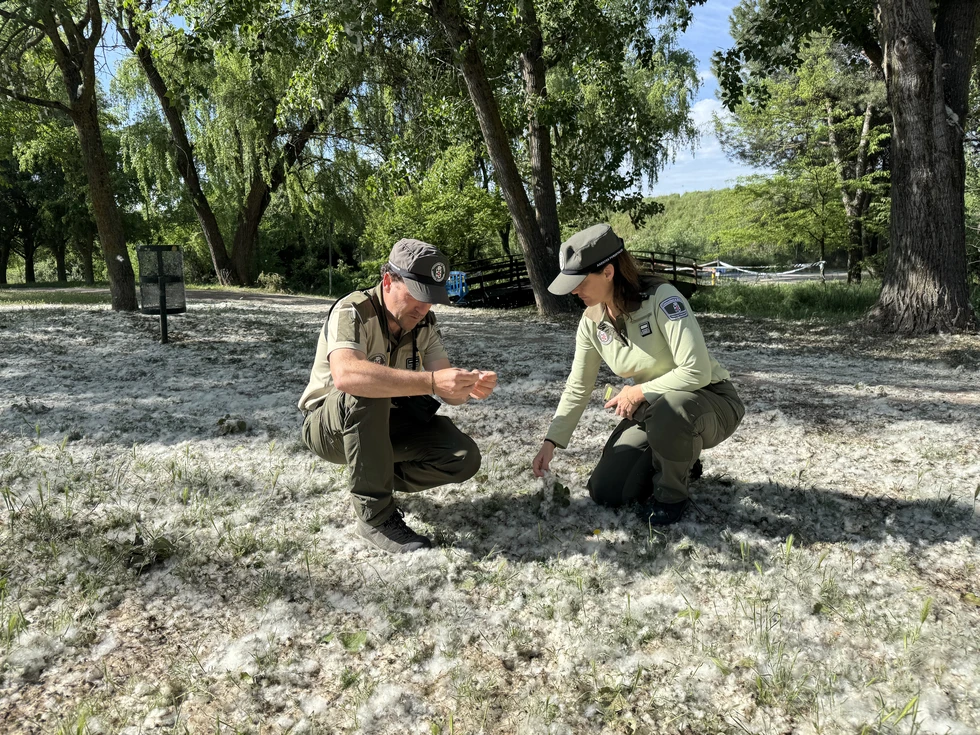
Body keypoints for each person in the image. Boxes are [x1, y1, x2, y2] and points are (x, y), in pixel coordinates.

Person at [532, 224, 744, 526]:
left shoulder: (662, 298)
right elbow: (578, 387)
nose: (574, 290)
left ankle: (671, 497)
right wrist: (551, 442)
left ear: (608, 272)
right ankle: (681, 458)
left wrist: (637, 392)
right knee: (607, 491)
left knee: (673, 410)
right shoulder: (591, 321)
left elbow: (696, 370)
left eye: (579, 282)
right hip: (656, 411)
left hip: (711, 401)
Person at [299, 239, 498, 553]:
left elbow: (444, 385)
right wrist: (432, 381)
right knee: (368, 386)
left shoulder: (424, 324)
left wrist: (467, 387)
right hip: (328, 427)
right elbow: (347, 375)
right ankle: (374, 517)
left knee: (463, 457)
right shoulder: (353, 309)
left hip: (382, 424)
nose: (424, 308)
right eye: (417, 296)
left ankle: (369, 476)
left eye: (431, 299)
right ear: (388, 280)